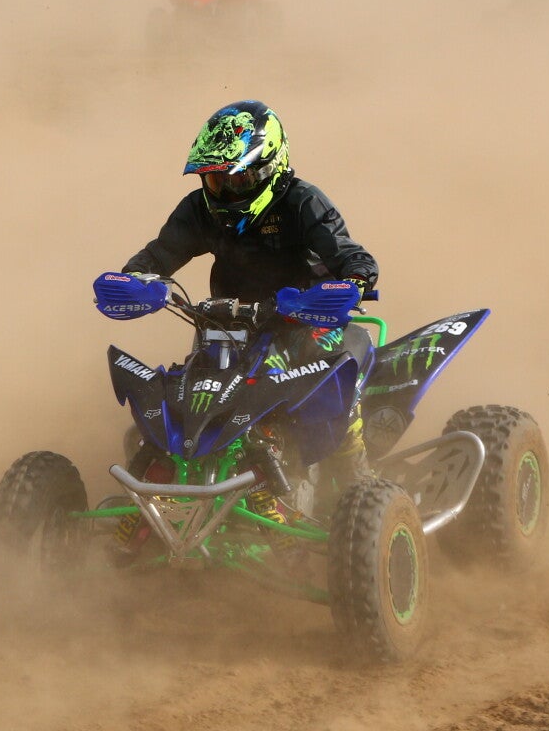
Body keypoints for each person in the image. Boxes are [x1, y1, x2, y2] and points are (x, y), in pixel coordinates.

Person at [109, 100, 380, 495]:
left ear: (269, 167)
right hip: (226, 323)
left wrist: (353, 283)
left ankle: (358, 480)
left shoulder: (302, 202)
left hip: (306, 317)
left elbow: (353, 257)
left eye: (236, 180)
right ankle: (161, 476)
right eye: (215, 181)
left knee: (336, 380)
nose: (224, 191)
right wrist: (135, 280)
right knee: (182, 401)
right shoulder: (199, 209)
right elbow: (158, 254)